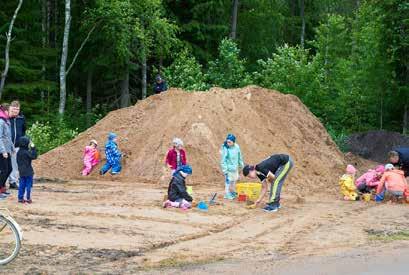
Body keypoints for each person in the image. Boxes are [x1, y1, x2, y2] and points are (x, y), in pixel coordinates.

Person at [220, 134, 244, 200]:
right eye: (227, 142)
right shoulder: (226, 148)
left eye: (230, 142)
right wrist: (225, 170)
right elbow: (223, 160)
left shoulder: (237, 147)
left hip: (235, 168)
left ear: (233, 142)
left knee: (234, 180)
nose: (228, 143)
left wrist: (241, 165)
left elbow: (239, 156)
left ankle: (232, 192)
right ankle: (226, 194)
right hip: (228, 169)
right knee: (228, 181)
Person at [8, 100, 26, 189]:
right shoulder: (6, 117)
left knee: (15, 165)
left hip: (17, 146)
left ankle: (13, 182)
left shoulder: (21, 118)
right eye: (14, 109)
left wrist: (23, 143)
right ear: (10, 108)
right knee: (4, 165)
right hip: (6, 145)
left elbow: (23, 131)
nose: (16, 111)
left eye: (17, 109)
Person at [16, 136, 37, 203]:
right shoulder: (26, 152)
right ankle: (28, 198)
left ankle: (20, 198)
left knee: (21, 185)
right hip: (28, 172)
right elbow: (34, 156)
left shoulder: (18, 152)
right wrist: (33, 148)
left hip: (21, 172)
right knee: (28, 185)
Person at [0, 104, 14, 199]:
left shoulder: (6, 121)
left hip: (7, 150)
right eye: (10, 110)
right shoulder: (1, 122)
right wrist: (3, 151)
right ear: (5, 111)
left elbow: (8, 137)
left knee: (9, 169)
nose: (11, 112)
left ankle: (2, 188)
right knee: (4, 170)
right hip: (2, 151)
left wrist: (12, 148)